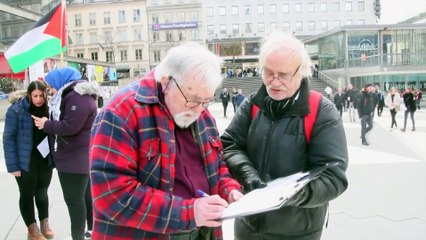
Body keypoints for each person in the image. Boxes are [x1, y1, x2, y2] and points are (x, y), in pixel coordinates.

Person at [89, 42, 243, 240]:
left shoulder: (202, 115)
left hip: (202, 232)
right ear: (166, 83)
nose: (198, 109)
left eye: (205, 101)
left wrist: (229, 189)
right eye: (193, 99)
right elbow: (112, 195)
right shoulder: (121, 113)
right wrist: (190, 212)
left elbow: (216, 165)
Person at [221, 31, 348, 240]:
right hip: (248, 226)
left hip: (297, 232)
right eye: (268, 73)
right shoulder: (251, 105)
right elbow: (229, 145)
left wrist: (294, 194)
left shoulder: (322, 111)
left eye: (283, 74)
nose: (273, 81)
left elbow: (334, 176)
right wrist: (247, 174)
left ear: (301, 72)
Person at [32, 67, 98, 240]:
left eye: (51, 85)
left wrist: (46, 124)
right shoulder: (73, 95)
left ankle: (78, 236)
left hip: (73, 160)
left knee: (74, 201)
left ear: (61, 82)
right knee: (85, 197)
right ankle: (91, 231)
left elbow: (70, 126)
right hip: (77, 157)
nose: (51, 90)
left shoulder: (77, 98)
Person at [3, 81, 54, 240]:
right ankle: (32, 229)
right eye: (35, 96)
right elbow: (8, 139)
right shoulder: (16, 110)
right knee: (27, 194)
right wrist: (13, 166)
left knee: (42, 192)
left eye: (41, 96)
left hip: (44, 159)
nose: (39, 99)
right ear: (29, 95)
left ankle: (44, 223)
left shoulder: (50, 109)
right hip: (25, 161)